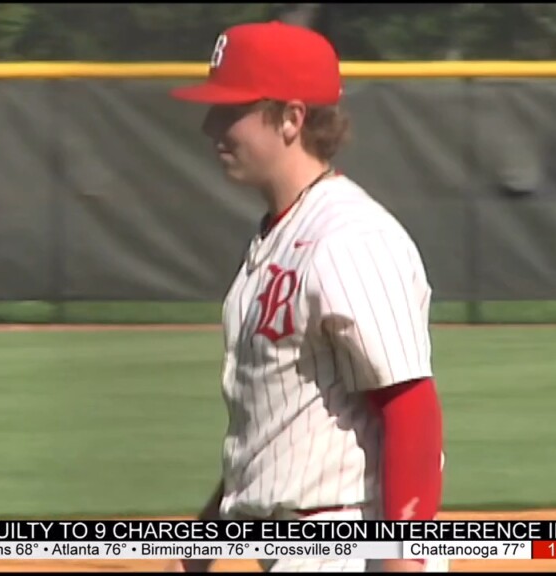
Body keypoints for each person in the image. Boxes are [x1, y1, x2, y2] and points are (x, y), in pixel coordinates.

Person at [167, 20, 447, 573]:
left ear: (291, 118)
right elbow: (274, 433)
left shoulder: (349, 238)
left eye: (231, 110)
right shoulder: (279, 235)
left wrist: (404, 560)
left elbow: (410, 407)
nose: (211, 126)